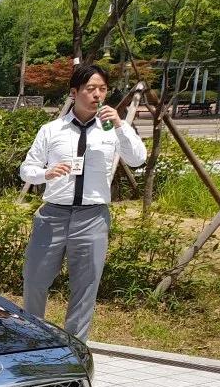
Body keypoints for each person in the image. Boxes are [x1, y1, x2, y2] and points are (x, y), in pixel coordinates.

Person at [18, 62, 147, 341]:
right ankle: (32, 340)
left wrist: (122, 125)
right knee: (35, 280)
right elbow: (26, 170)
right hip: (52, 215)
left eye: (102, 89)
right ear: (74, 93)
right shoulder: (52, 130)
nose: (97, 95)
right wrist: (45, 173)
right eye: (90, 89)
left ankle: (75, 346)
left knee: (85, 287)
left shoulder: (112, 129)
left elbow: (138, 160)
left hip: (92, 218)